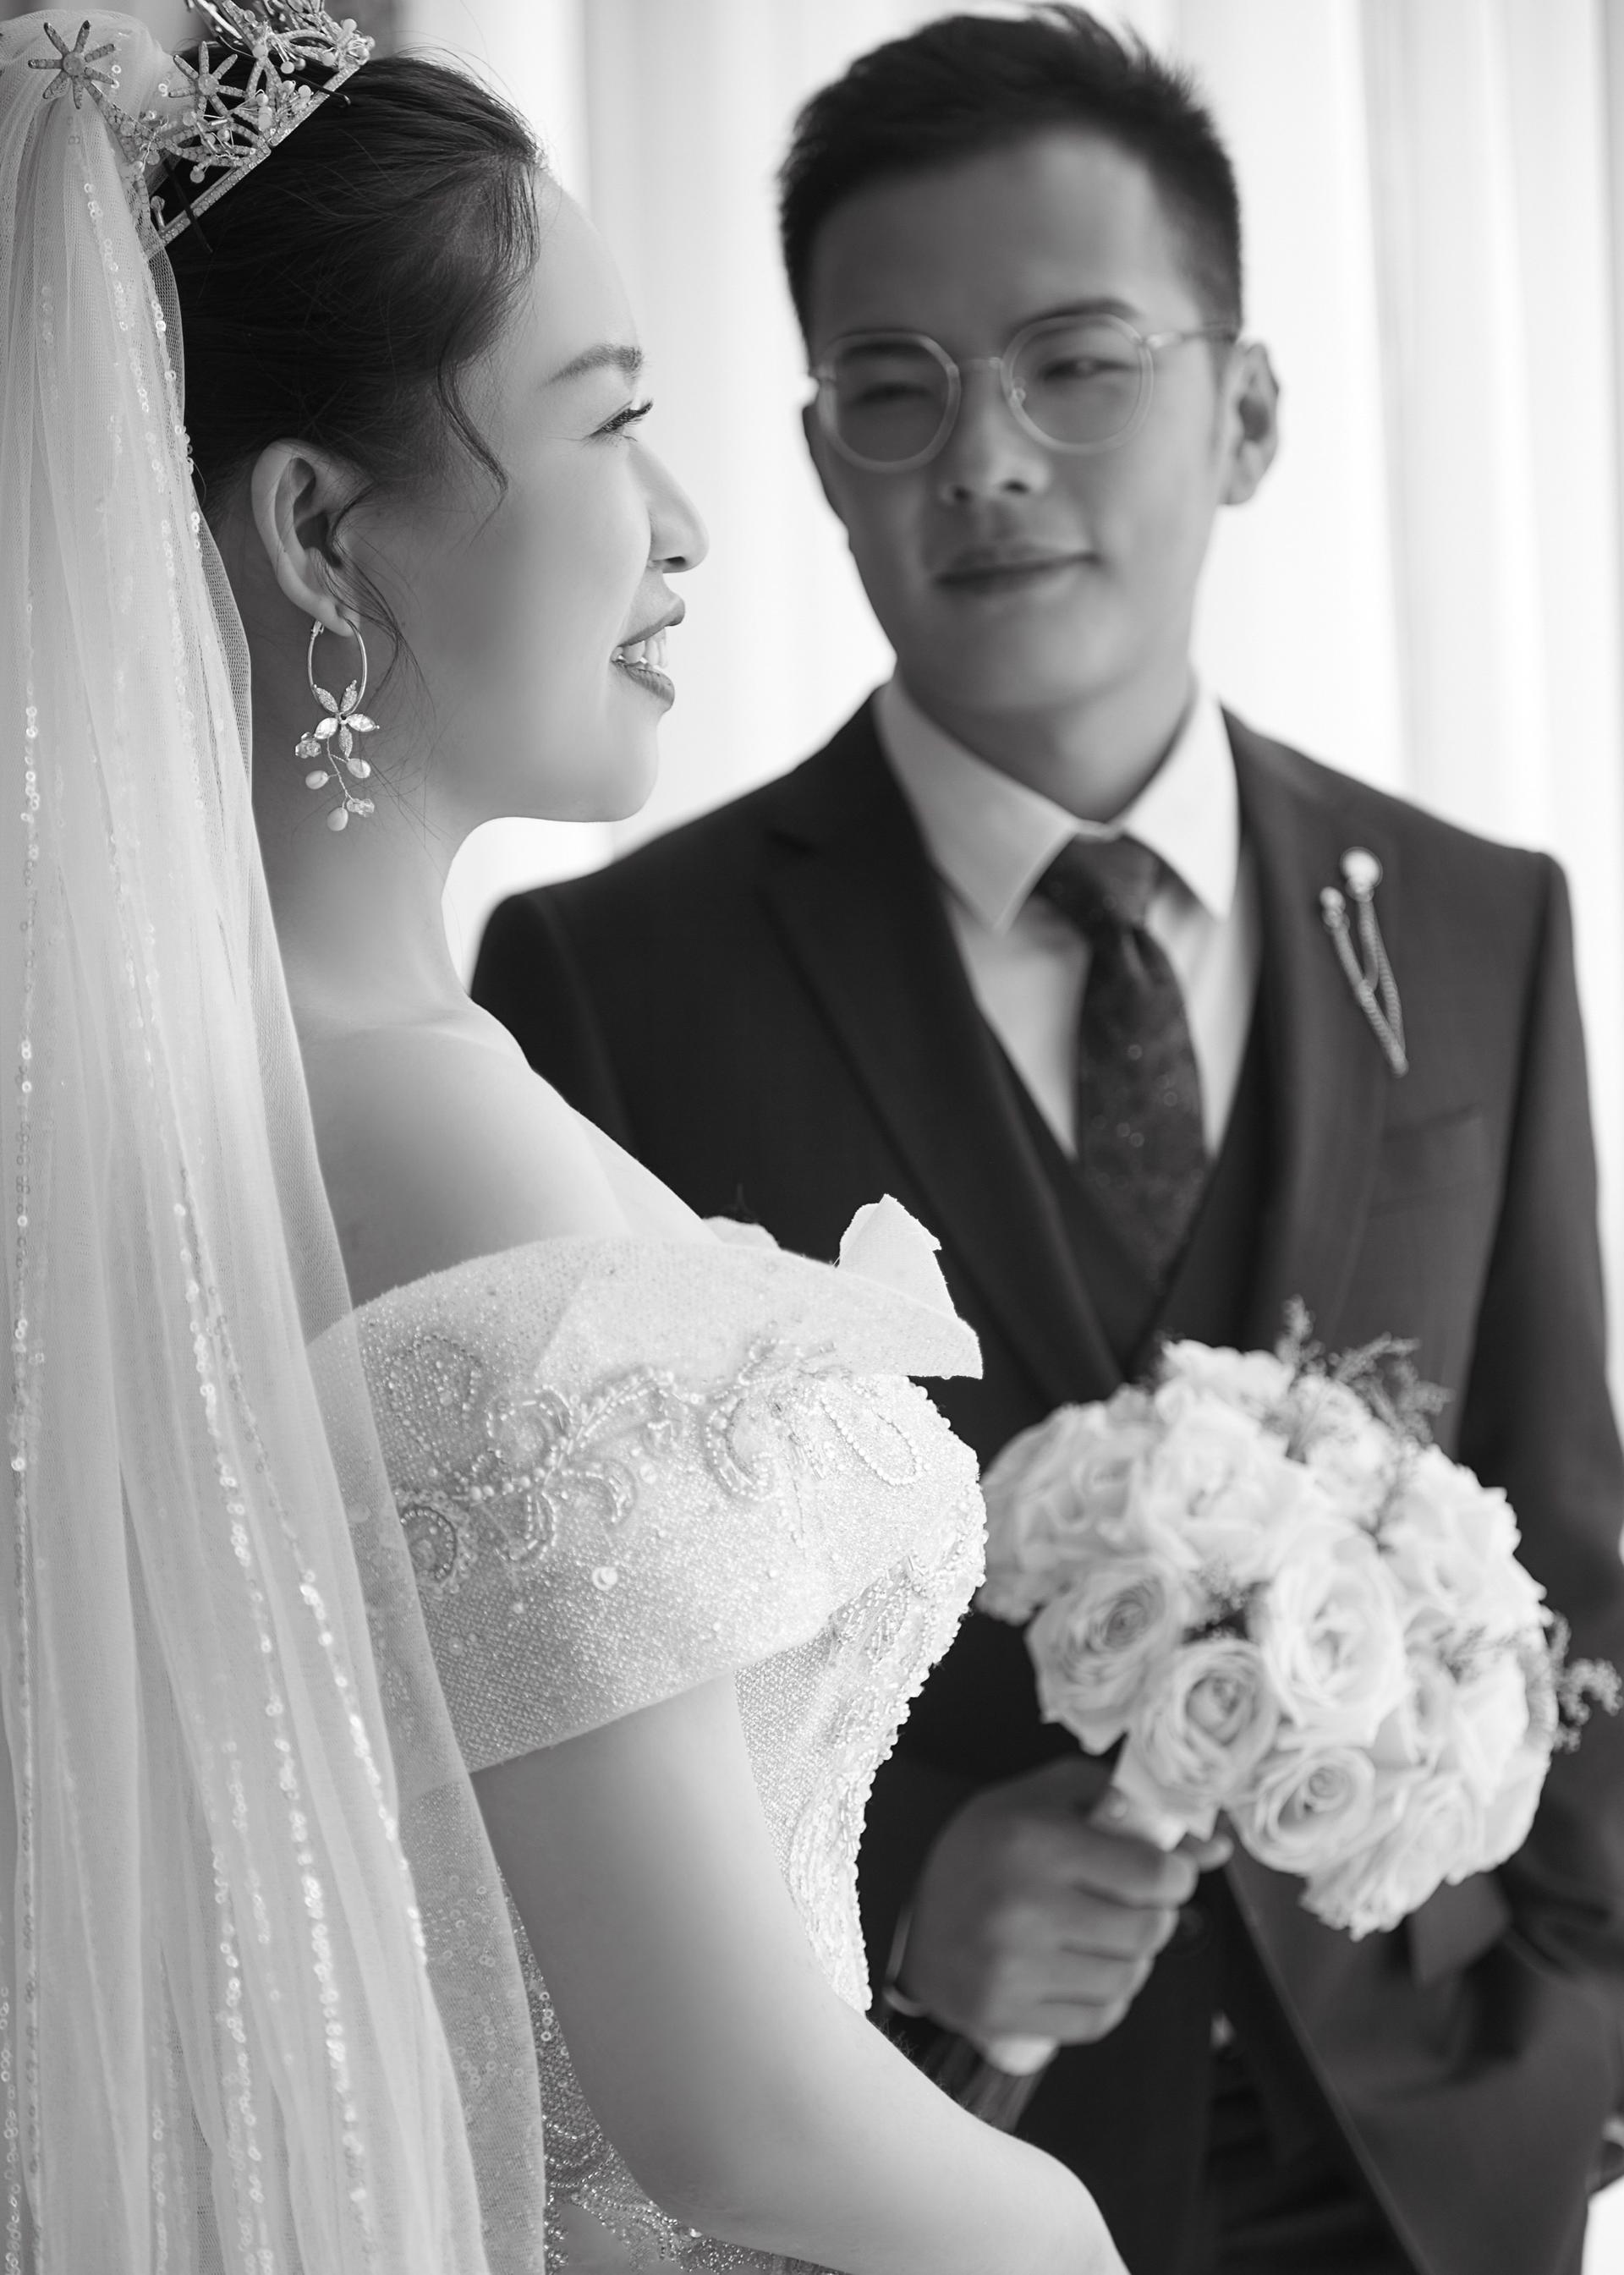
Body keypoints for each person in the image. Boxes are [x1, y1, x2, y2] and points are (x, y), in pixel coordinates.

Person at [470, 9, 1624, 2275]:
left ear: (1248, 411)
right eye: (894, 388)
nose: (985, 456)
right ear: (819, 454)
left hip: (1432, 2173)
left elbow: (1568, 1531)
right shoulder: (608, 985)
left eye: (1077, 364)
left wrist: (1571, 2049)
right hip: (921, 2171)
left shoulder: (1475, 917)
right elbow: (546, 1674)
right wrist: (906, 1897)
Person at [0, 6, 1122, 2272]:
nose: (685, 525)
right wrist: (1070, 2236)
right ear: (319, 529)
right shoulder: (425, 1132)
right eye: (609, 421)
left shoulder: (270, 1085)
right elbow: (742, 2120)